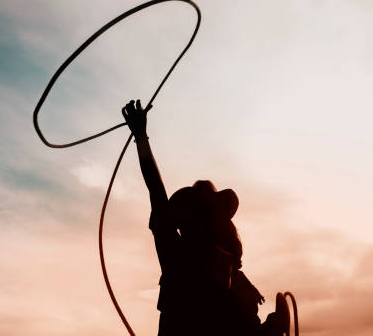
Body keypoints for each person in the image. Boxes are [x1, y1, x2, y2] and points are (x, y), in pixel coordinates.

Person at [122, 99, 290, 336]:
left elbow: (157, 193)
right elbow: (156, 191)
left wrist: (141, 136)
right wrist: (141, 137)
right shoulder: (186, 256)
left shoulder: (205, 261)